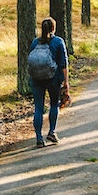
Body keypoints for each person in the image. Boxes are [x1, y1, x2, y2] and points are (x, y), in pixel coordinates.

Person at [27, 17, 69, 147]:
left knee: (38, 108)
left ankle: (39, 138)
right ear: (53, 28)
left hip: (36, 79)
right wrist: (66, 82)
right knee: (54, 105)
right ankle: (51, 132)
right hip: (53, 79)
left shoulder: (35, 42)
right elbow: (63, 63)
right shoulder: (58, 42)